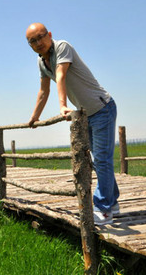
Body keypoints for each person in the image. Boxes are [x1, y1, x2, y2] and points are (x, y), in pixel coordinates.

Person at [26, 22, 119, 225]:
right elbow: (44, 90)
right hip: (87, 114)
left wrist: (62, 105)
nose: (38, 42)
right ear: (29, 45)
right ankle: (113, 203)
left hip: (102, 107)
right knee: (98, 160)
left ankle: (104, 208)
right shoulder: (41, 61)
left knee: (102, 159)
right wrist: (35, 117)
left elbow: (61, 75)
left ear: (49, 34)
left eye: (41, 37)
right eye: (32, 41)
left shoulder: (62, 47)